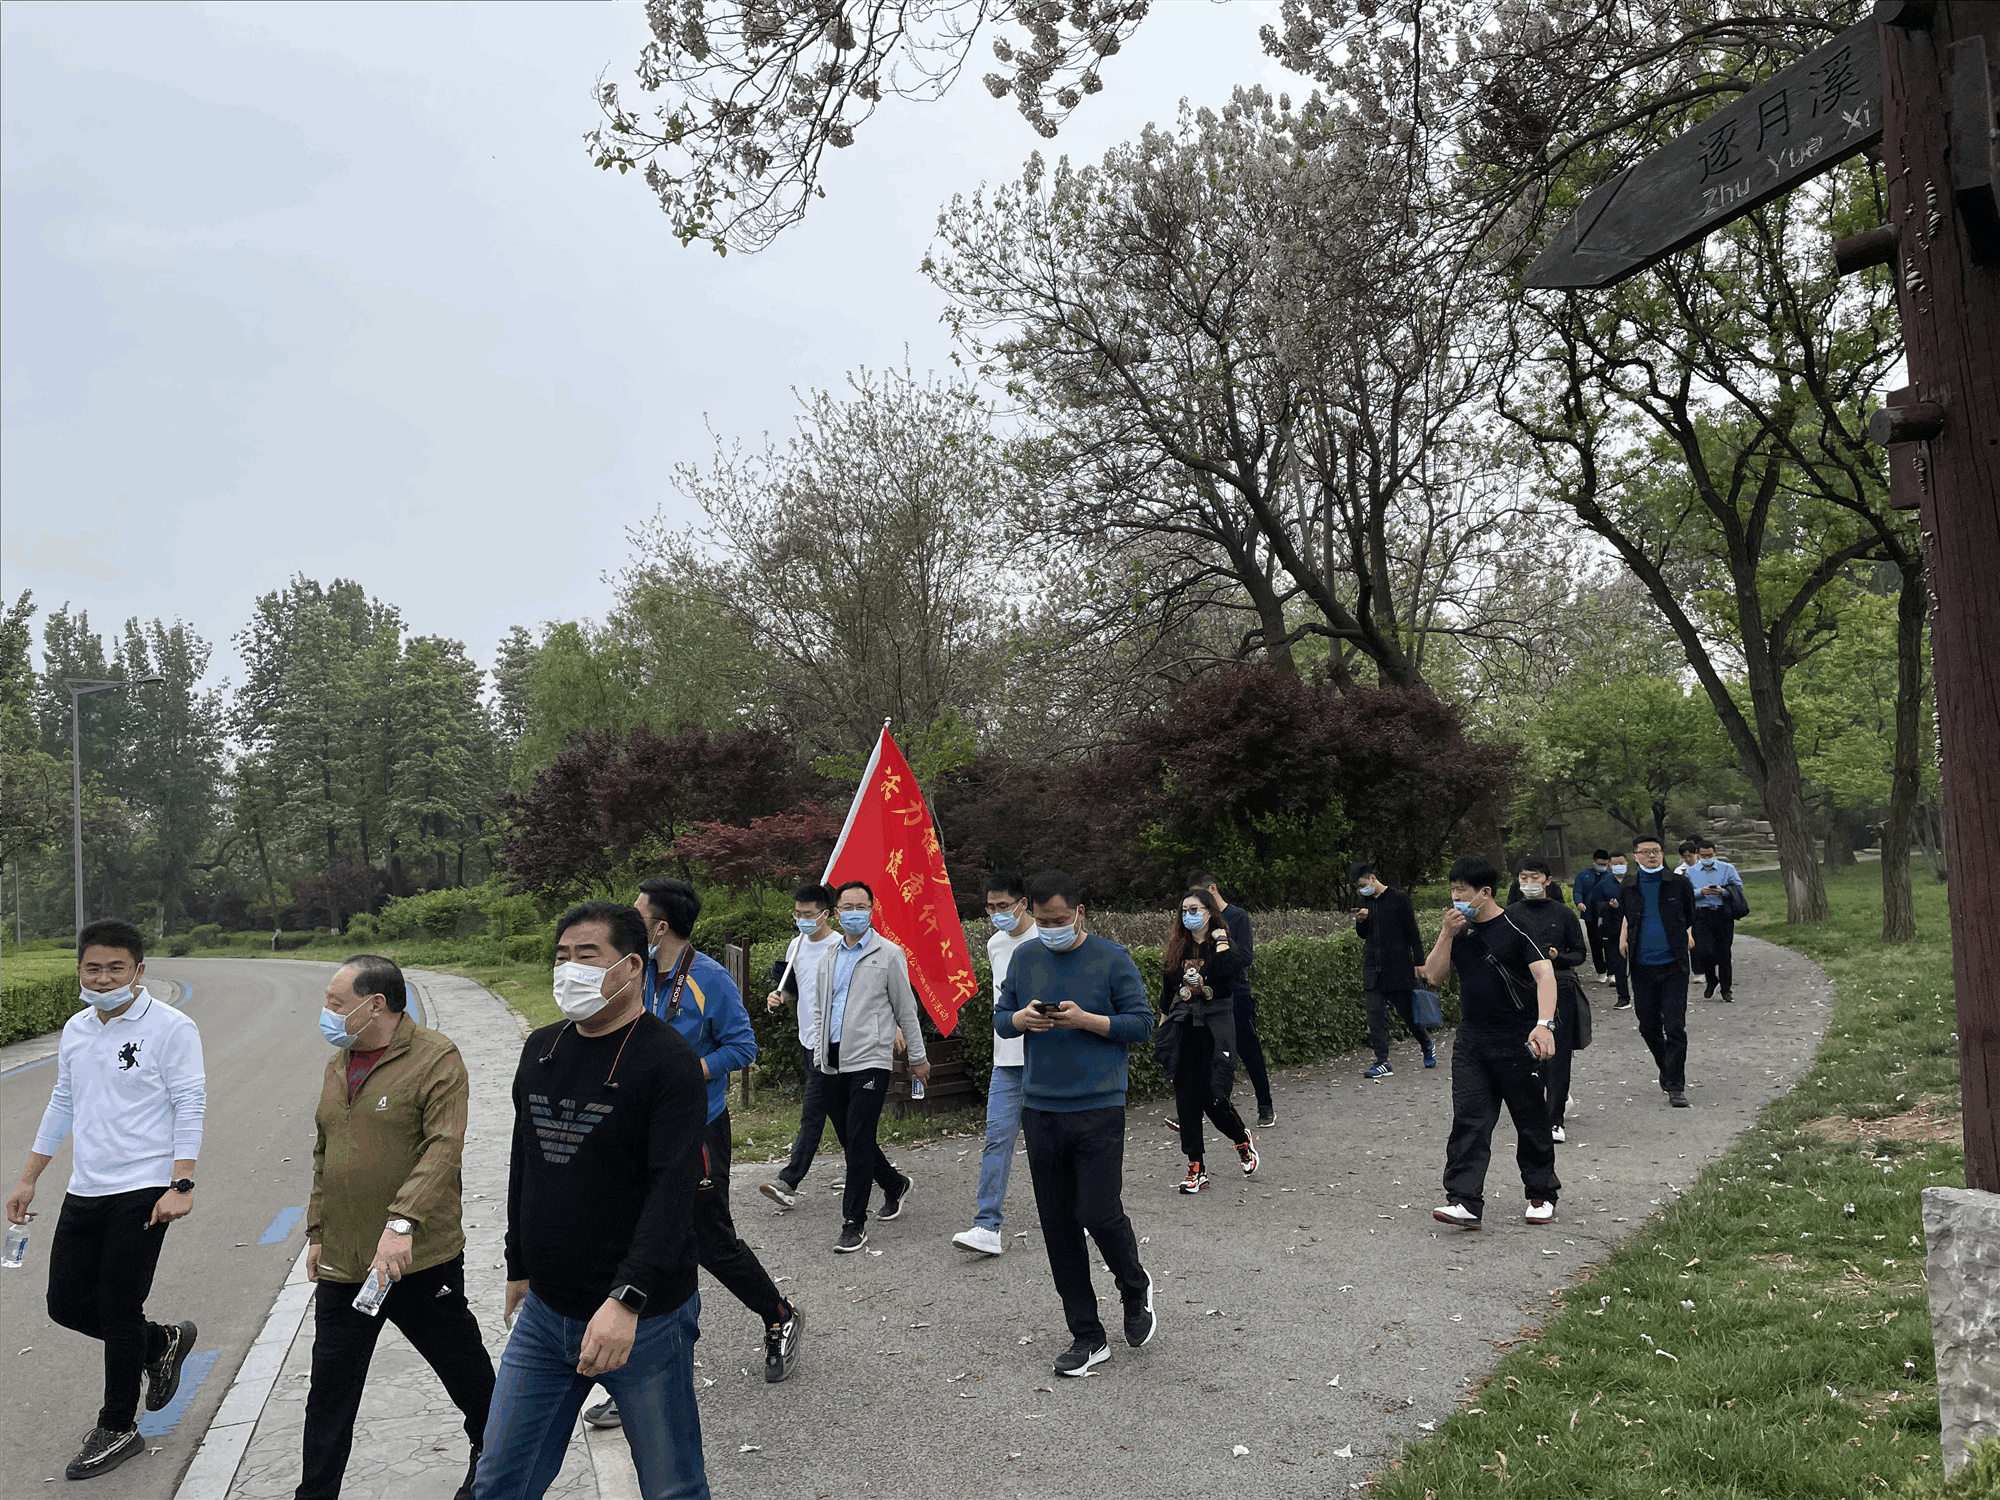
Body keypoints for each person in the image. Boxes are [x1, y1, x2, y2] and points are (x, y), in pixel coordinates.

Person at [476, 902, 710, 1500]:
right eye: (562, 957)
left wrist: (626, 1299)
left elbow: (672, 1192)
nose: (569, 970)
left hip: (644, 1318)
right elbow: (525, 1162)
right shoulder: (542, 1049)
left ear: (631, 967)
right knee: (501, 1479)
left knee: (671, 1485)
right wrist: (519, 1264)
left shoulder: (668, 1062)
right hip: (546, 1313)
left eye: (587, 956)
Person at [585, 877, 802, 1436]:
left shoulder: (708, 978)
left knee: (707, 1239)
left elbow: (743, 1046)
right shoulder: (634, 973)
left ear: (660, 927)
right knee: (643, 1238)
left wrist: (684, 1073)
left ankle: (779, 1315)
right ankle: (638, 1376)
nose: (630, 921)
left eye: (638, 915)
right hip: (639, 1127)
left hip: (697, 1128)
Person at [5, 919, 204, 1483]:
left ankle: (117, 1426)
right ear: (79, 970)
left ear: (139, 970)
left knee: (118, 1308)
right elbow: (62, 1101)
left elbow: (190, 1101)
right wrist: (29, 1178)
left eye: (116, 968)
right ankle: (161, 1343)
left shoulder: (172, 1027)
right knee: (65, 1304)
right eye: (93, 968)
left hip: (144, 1187)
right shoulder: (77, 1028)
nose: (104, 978)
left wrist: (181, 1183)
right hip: (86, 1187)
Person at [300, 955, 494, 1500]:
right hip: (345, 1261)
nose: (326, 1012)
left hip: (418, 1258)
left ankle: (493, 1454)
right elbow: (325, 1153)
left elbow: (443, 1148)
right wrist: (317, 1231)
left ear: (375, 1004)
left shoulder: (436, 1058)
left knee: (462, 1367)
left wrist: (402, 1222)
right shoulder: (338, 1064)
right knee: (329, 1390)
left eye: (336, 1003)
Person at [995, 869, 1157, 1376]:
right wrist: (1020, 1019)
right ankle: (1087, 1334)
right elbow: (1001, 1017)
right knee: (1058, 1224)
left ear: (1080, 913)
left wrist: (1088, 1020)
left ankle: (1134, 1286)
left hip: (1098, 1107)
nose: (1051, 929)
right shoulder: (1024, 958)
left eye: (1059, 920)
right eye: (1042, 921)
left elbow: (1142, 1024)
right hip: (1041, 1108)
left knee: (1098, 1211)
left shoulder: (1112, 958)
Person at [1417, 860, 1561, 1230]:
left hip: (1517, 1040)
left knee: (1530, 1120)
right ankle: (1464, 1200)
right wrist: (1446, 934)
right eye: (1452, 890)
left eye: (1461, 891)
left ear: (1485, 893)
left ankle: (1541, 1193)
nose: (1455, 897)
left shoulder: (1517, 926)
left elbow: (1545, 976)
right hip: (1472, 1042)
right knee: (1469, 1119)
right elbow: (1433, 975)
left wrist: (1544, 1025)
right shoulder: (1459, 931)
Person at [810, 881, 931, 1254]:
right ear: (836, 913)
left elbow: (906, 1010)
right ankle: (894, 1184)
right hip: (831, 1060)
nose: (854, 913)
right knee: (849, 1138)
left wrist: (917, 1058)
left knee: (859, 1139)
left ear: (872, 909)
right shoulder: (829, 956)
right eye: (847, 907)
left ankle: (853, 1222)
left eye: (860, 906)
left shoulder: (889, 954)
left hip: (870, 1059)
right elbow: (821, 1008)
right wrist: (818, 1053)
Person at [1152, 886, 1258, 1193]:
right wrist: (1163, 1029)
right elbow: (1168, 992)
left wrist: (1221, 941)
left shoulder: (1222, 944)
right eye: (1184, 911)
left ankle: (1241, 1139)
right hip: (1185, 1025)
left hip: (1215, 1026)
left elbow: (1229, 973)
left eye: (1194, 910)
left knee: (1213, 1097)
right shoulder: (1178, 947)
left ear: (1209, 912)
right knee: (1186, 1097)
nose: (1188, 916)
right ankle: (1195, 1166)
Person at [952, 873, 1035, 1255]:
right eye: (990, 907)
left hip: (1049, 1058)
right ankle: (987, 1226)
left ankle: (1077, 1213)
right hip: (1007, 1060)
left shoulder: (1046, 937)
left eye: (1004, 906)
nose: (998, 913)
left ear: (1023, 903)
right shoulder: (995, 943)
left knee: (1057, 1142)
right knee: (997, 1139)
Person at [759, 884, 842, 1209]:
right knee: (841, 1117)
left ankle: (788, 1181)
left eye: (808, 914)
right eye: (797, 914)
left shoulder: (840, 946)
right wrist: (779, 996)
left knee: (812, 1112)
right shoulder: (797, 945)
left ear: (826, 914)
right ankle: (888, 1179)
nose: (802, 920)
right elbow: (794, 987)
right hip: (808, 1038)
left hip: (834, 1043)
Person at [1503, 859, 1590, 1145]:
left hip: (1560, 987)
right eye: (1523, 877)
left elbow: (1579, 954)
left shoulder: (1563, 914)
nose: (1528, 882)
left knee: (1557, 1054)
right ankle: (1540, 1108)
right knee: (1527, 1054)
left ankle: (1555, 1120)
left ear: (1547, 880)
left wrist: (1558, 957)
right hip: (1521, 991)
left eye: (1534, 877)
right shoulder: (1510, 914)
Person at [1618, 836, 1700, 1109]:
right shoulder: (1629, 885)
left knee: (1675, 1026)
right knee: (1648, 1025)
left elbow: (1689, 915)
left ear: (1663, 854)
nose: (1651, 856)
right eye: (1645, 852)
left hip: (1673, 964)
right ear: (1635, 857)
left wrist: (1682, 937)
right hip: (1642, 965)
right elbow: (1628, 916)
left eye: (1656, 851)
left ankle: (1676, 1085)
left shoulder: (1679, 884)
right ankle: (1667, 1066)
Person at [1190, 871, 1274, 1128]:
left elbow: (1246, 957)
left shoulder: (1237, 917)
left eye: (1200, 897)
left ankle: (1265, 1105)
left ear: (1213, 890)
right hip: (1207, 997)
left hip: (1236, 994)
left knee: (1248, 1050)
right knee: (1207, 1054)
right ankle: (1205, 1109)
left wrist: (1223, 946)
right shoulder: (1197, 922)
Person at [1352, 861, 1434, 1079]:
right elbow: (1363, 934)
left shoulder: (1398, 898)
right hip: (1373, 967)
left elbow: (1412, 931)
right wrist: (1360, 922)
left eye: (1363, 885)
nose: (1362, 890)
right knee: (1375, 1016)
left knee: (1408, 1014)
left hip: (1397, 966)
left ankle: (1426, 1044)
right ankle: (1382, 1061)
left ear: (1373, 878)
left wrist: (1419, 962)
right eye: (1359, 887)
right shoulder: (1365, 902)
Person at [1687, 839, 1743, 1001]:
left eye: (1709, 855)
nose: (1707, 858)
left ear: (1714, 853)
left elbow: (1738, 887)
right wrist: (1700, 892)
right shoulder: (1691, 871)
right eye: (1703, 855)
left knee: (1724, 952)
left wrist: (1723, 891)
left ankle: (1726, 989)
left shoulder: (1727, 868)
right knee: (1704, 950)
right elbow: (1686, 893)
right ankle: (1711, 979)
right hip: (1701, 914)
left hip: (1722, 913)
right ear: (1698, 855)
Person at [1584, 852, 1634, 1010]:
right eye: (1615, 863)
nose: (1619, 866)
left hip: (1634, 927)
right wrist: (1610, 906)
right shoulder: (1603, 884)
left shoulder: (1634, 882)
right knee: (1618, 964)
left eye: (1621, 863)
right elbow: (1595, 906)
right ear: (1610, 866)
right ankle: (1623, 997)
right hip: (1613, 928)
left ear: (1627, 863)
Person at [1571, 851, 1617, 979]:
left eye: (1604, 864)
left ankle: (1612, 972)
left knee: (1610, 943)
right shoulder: (1583, 875)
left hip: (1608, 915)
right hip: (1590, 914)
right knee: (1595, 943)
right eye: (1599, 864)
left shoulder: (1611, 876)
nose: (1602, 866)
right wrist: (1579, 902)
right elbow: (1578, 891)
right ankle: (1601, 971)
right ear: (1594, 862)